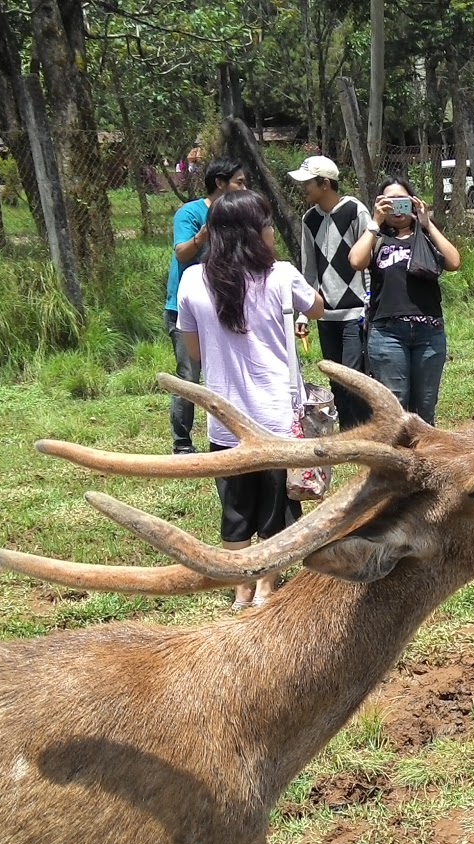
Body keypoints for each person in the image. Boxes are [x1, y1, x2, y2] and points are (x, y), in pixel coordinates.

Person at [176, 190, 324, 609]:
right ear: (255, 232)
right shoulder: (281, 275)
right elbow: (318, 309)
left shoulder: (192, 280)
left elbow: (194, 351)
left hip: (224, 419)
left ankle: (240, 588)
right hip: (277, 417)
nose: (271, 232)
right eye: (268, 224)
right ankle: (265, 587)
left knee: (235, 507)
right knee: (276, 507)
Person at [348, 177, 461, 426]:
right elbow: (356, 261)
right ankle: (396, 452)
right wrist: (375, 222)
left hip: (429, 332)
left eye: (402, 201)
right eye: (390, 202)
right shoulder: (377, 238)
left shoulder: (426, 236)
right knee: (395, 408)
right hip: (387, 333)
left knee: (425, 408)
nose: (397, 208)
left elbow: (454, 262)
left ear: (413, 202)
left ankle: (424, 452)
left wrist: (426, 222)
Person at [164, 156, 251, 454]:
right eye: (239, 183)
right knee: (190, 375)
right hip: (186, 310)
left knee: (230, 373)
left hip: (225, 306)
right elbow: (182, 253)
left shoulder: (239, 214)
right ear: (220, 183)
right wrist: (205, 231)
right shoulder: (190, 213)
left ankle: (234, 436)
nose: (244, 188)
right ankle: (182, 443)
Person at [290, 155, 374, 427]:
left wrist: (369, 304)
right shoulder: (310, 219)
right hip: (326, 316)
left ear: (325, 184)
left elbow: (369, 260)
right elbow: (310, 271)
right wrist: (304, 314)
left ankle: (364, 432)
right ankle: (348, 433)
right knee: (336, 380)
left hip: (355, 313)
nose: (303, 188)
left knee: (354, 379)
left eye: (308, 183)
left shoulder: (355, 211)